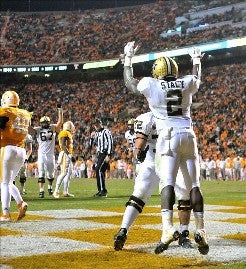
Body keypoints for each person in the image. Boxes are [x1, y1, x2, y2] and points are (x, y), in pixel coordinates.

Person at [122, 41, 209, 255]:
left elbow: (130, 84)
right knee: (193, 186)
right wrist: (196, 61)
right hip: (189, 135)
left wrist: (128, 60)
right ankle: (200, 229)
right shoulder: (186, 82)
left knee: (167, 183)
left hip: (168, 137)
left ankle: (167, 228)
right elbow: (197, 78)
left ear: (157, 72)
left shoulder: (151, 84)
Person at [114, 111, 192, 251]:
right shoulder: (148, 118)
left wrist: (138, 152)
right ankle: (123, 230)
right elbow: (140, 142)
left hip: (166, 159)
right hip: (156, 160)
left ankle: (184, 234)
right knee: (139, 194)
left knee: (183, 194)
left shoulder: (173, 116)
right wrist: (138, 152)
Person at [0, 90, 32, 222]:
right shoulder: (25, 114)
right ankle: (20, 203)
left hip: (7, 149)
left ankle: (6, 213)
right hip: (21, 151)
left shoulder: (6, 112)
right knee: (8, 182)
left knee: (4, 183)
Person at [29, 105, 63, 198]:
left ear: (49, 122)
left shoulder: (52, 127)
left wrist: (60, 111)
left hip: (51, 154)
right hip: (42, 154)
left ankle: (50, 186)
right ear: (41, 123)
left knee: (51, 174)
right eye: (43, 122)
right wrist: (28, 116)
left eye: (46, 122)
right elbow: (29, 128)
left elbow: (60, 123)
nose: (44, 124)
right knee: (41, 172)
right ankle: (41, 190)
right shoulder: (38, 129)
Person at [90, 119, 113, 197]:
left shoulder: (106, 131)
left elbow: (110, 142)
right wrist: (91, 138)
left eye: (97, 125)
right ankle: (101, 190)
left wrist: (109, 154)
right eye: (94, 125)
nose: (95, 126)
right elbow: (92, 145)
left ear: (100, 124)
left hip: (105, 153)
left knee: (99, 170)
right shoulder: (96, 133)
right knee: (100, 171)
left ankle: (103, 191)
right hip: (100, 154)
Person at [53, 121, 76, 198]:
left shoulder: (68, 133)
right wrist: (69, 154)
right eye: (71, 126)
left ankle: (65, 192)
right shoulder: (64, 133)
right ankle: (56, 191)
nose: (72, 127)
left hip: (67, 154)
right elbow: (63, 145)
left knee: (68, 174)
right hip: (65, 154)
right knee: (63, 173)